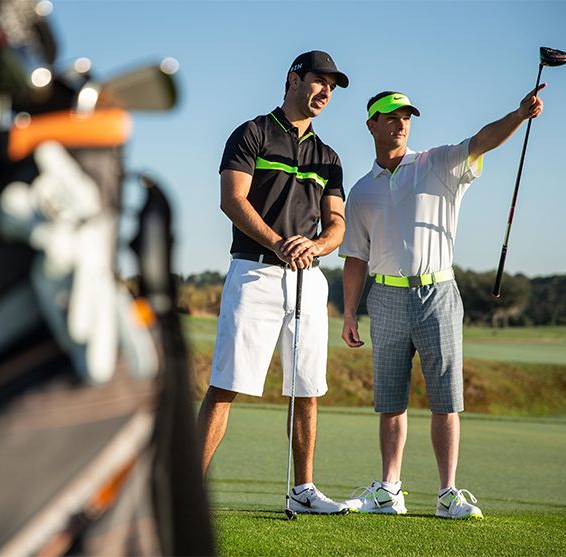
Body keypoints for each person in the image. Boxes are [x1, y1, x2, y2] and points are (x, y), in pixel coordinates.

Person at [340, 86, 546, 519]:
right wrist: (348, 312)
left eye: (407, 116)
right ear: (371, 124)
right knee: (390, 401)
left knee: (445, 400)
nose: (401, 123)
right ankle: (389, 490)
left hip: (439, 294)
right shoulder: (360, 192)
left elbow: (482, 139)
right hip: (386, 296)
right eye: (391, 116)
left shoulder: (438, 162)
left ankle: (447, 493)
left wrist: (519, 114)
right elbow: (355, 257)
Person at [195, 51, 349, 515]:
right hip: (255, 271)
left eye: (332, 87)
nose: (325, 92)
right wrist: (280, 242)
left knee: (308, 388)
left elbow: (336, 224)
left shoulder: (329, 157)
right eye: (318, 82)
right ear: (292, 79)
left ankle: (303, 491)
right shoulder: (253, 133)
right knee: (227, 384)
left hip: (308, 278)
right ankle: (187, 490)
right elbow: (233, 199)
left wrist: (317, 247)